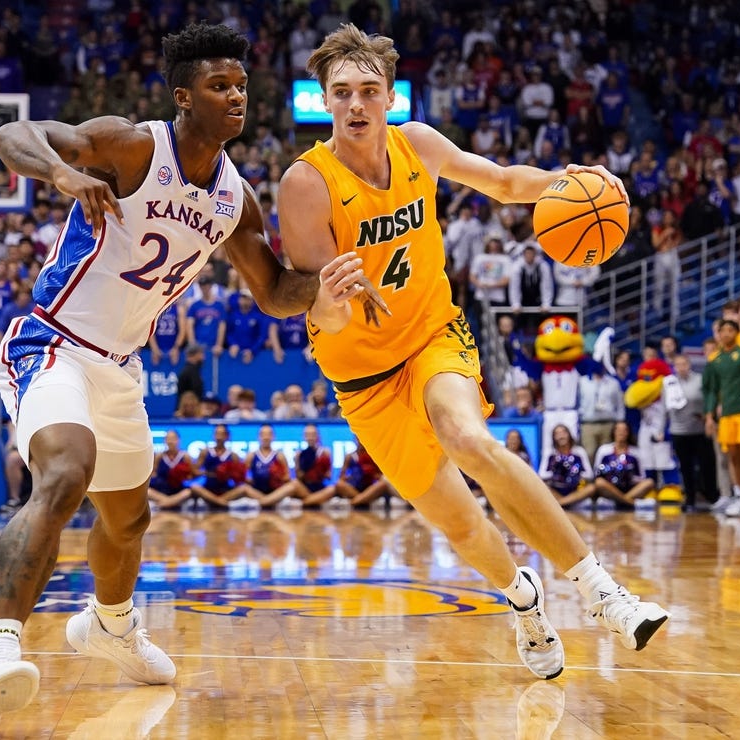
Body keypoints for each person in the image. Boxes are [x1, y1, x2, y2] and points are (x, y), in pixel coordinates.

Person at [0, 23, 385, 732]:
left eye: (242, 86)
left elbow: (273, 290)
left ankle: (111, 626)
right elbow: (11, 134)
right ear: (184, 96)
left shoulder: (234, 199)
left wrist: (324, 288)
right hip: (52, 343)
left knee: (129, 520)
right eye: (220, 86)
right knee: (65, 474)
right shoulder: (131, 144)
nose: (237, 97)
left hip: (120, 367)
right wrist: (62, 173)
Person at [277, 24, 669, 683]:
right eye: (341, 93)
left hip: (432, 335)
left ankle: (604, 593)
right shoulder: (306, 183)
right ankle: (524, 600)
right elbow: (316, 311)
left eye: (368, 91)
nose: (355, 105)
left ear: (388, 98)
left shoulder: (419, 146)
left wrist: (567, 182)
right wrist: (333, 300)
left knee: (468, 439)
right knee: (461, 528)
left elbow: (505, 183)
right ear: (324, 100)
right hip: (362, 374)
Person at [703, 320, 740, 518]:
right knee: (733, 458)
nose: (726, 334)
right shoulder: (715, 359)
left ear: (736, 332)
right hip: (726, 415)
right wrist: (709, 416)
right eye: (722, 331)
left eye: (730, 330)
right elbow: (711, 390)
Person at [668, 355, 718, 511]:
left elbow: (710, 398)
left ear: (689, 364)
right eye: (678, 364)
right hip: (679, 431)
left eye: (684, 363)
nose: (681, 367)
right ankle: (689, 499)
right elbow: (665, 406)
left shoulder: (700, 380)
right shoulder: (669, 383)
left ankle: (712, 496)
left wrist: (708, 416)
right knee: (685, 467)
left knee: (706, 465)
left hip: (699, 430)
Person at [593, 421, 656, 506]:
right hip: (610, 486)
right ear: (613, 432)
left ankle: (619, 501)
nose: (621, 433)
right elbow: (596, 473)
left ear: (628, 433)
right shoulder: (604, 450)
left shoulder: (636, 452)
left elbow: (642, 476)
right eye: (618, 430)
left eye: (624, 430)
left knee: (649, 482)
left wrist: (630, 477)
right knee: (599, 482)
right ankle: (631, 503)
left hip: (630, 487)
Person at [190, 423, 250, 508]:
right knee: (194, 487)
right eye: (217, 434)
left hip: (226, 490)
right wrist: (208, 473)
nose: (219, 437)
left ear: (227, 436)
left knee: (243, 489)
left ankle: (215, 502)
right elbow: (195, 472)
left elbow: (239, 478)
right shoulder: (205, 452)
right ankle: (223, 504)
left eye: (222, 434)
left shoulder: (233, 455)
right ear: (213, 435)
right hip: (208, 489)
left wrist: (230, 474)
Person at [539, 424, 597, 508]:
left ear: (569, 435)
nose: (561, 436)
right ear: (553, 438)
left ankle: (561, 503)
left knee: (592, 487)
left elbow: (589, 474)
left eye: (563, 432)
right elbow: (541, 474)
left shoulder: (579, 451)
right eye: (557, 434)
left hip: (575, 489)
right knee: (542, 486)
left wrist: (574, 474)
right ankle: (567, 502)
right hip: (556, 489)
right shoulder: (550, 453)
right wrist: (557, 474)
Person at [241, 424, 293, 507]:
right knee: (243, 489)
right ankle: (271, 502)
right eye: (263, 434)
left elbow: (288, 477)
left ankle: (264, 502)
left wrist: (278, 477)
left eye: (269, 434)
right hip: (256, 491)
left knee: (291, 487)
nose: (266, 437)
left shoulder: (279, 455)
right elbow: (242, 477)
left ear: (273, 436)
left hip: (275, 492)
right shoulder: (251, 455)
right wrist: (250, 479)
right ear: (258, 437)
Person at [333, 438, 395, 507]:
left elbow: (382, 476)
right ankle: (362, 500)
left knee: (383, 484)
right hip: (354, 488)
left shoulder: (374, 455)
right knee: (339, 484)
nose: (361, 441)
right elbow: (341, 477)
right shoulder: (350, 456)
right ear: (356, 440)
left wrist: (372, 474)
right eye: (358, 439)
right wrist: (349, 477)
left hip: (370, 487)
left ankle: (354, 502)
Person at [146, 429, 196, 510]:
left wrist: (183, 476)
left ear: (178, 440)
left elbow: (192, 475)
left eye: (173, 439)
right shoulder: (159, 456)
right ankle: (170, 502)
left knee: (188, 492)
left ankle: (166, 503)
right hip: (162, 490)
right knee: (147, 491)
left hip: (178, 490)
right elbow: (153, 473)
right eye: (167, 439)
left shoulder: (185, 456)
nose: (170, 441)